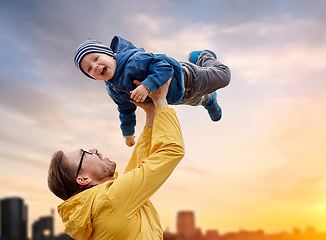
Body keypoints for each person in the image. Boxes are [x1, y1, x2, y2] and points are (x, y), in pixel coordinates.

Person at [47, 80, 185, 239]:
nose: (94, 150)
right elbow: (171, 151)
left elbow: (139, 166)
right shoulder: (110, 200)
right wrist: (161, 100)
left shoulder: (97, 206)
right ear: (83, 179)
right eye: (85, 153)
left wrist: (151, 112)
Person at [74, 36, 231, 147]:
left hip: (190, 78)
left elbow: (164, 67)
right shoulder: (113, 89)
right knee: (200, 100)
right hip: (179, 97)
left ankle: (203, 57)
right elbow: (125, 109)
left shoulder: (134, 60)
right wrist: (128, 133)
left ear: (109, 54)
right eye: (89, 69)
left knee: (224, 76)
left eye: (96, 58)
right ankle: (210, 101)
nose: (94, 66)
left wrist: (146, 86)